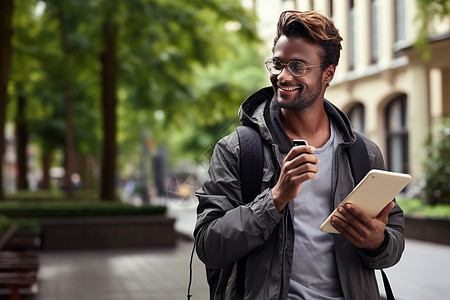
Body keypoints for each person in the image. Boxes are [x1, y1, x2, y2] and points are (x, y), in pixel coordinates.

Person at [194, 10, 405, 300]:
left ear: (328, 73)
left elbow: (392, 246)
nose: (282, 76)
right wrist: (276, 197)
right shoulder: (238, 150)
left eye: (297, 66)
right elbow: (208, 246)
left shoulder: (362, 153)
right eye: (278, 64)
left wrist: (377, 243)